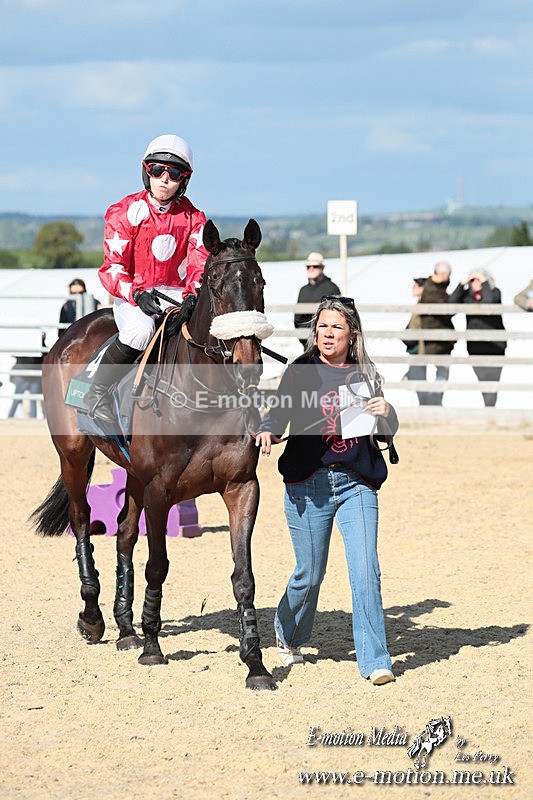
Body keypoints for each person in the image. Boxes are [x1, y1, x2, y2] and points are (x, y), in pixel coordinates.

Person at [255, 296, 398, 686]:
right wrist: (268, 428)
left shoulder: (365, 372)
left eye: (336, 326)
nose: (327, 333)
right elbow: (280, 410)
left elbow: (386, 430)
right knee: (310, 574)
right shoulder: (300, 370)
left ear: (352, 333)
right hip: (308, 484)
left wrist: (388, 414)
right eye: (322, 326)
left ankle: (375, 660)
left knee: (366, 569)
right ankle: (290, 631)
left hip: (357, 483)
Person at [83, 133, 209, 423]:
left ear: (184, 179)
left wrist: (192, 296)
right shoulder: (124, 211)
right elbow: (112, 267)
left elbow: (199, 265)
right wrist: (138, 295)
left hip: (177, 294)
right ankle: (96, 393)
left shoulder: (195, 218)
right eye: (157, 170)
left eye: (174, 173)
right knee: (139, 333)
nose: (164, 178)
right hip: (134, 296)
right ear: (146, 171)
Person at [449, 269, 506, 407]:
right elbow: (450, 304)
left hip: (495, 345)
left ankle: (490, 408)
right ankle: (489, 408)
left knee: (493, 380)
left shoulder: (494, 292)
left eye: (478, 280)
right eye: (473, 280)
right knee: (483, 379)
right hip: (475, 346)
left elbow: (489, 302)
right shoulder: (468, 297)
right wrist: (462, 284)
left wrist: (484, 282)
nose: (475, 283)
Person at [417, 261, 455, 405]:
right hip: (435, 340)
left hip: (438, 339)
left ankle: (431, 401)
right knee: (441, 371)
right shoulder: (433, 290)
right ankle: (432, 401)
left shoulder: (432, 287)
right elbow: (448, 309)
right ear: (444, 274)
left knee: (439, 372)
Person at [294, 253, 340, 347]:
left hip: (328, 343)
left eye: (315, 266)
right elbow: (297, 319)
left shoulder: (332, 288)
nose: (311, 269)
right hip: (306, 342)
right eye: (308, 266)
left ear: (322, 268)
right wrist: (305, 339)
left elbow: (338, 318)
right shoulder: (303, 290)